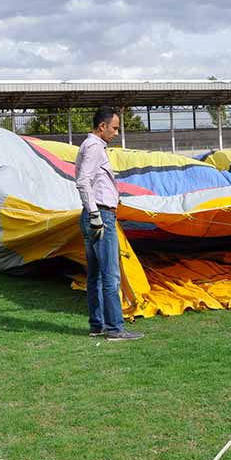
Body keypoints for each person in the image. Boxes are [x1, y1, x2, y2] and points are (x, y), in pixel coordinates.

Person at [74, 106, 143, 341]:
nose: (116, 133)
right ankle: (115, 328)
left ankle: (98, 325)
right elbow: (83, 181)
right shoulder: (94, 147)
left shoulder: (89, 146)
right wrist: (95, 215)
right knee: (111, 276)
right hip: (101, 217)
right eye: (114, 128)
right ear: (102, 126)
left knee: (95, 276)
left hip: (94, 215)